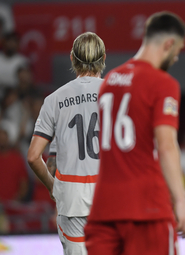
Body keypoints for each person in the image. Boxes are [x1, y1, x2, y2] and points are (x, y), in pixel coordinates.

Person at [85, 11, 185, 255]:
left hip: (104, 210)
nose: (177, 57)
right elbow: (166, 145)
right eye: (178, 49)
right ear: (168, 44)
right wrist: (180, 200)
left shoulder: (110, 81)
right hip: (147, 209)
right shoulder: (162, 83)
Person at [27, 32, 106, 255]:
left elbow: (33, 156)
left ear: (72, 57)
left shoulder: (54, 99)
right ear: (104, 57)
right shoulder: (118, 94)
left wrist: (54, 187)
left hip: (71, 198)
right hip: (110, 196)